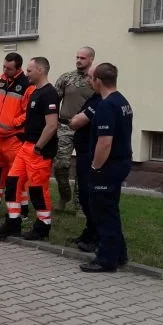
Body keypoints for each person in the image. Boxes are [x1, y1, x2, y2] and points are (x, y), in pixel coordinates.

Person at [0, 57, 59, 241]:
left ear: (41, 71)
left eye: (29, 71)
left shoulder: (49, 94)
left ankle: (43, 225)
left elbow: (51, 125)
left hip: (38, 150)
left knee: (37, 189)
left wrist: (39, 146)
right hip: (26, 146)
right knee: (12, 183)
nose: (26, 74)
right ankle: (13, 222)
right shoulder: (35, 92)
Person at [80, 63, 133, 273]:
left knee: (103, 213)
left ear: (98, 81)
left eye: (92, 79)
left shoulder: (105, 106)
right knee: (111, 210)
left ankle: (106, 259)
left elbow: (105, 142)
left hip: (107, 166)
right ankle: (119, 254)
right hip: (121, 162)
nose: (90, 82)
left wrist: (95, 166)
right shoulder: (122, 102)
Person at [0, 52, 34, 218]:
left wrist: (14, 123)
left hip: (14, 137)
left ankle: (22, 210)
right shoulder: (3, 80)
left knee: (16, 175)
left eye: (9, 68)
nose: (5, 70)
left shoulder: (26, 85)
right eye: (4, 66)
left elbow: (28, 112)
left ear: (18, 68)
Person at [54, 47, 96, 212]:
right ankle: (65, 195)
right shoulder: (66, 78)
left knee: (83, 167)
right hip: (65, 127)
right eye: (77, 57)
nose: (79, 60)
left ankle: (80, 203)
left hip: (87, 128)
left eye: (83, 58)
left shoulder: (95, 80)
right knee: (61, 164)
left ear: (91, 59)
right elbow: (53, 101)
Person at [68, 65, 102, 252]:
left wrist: (75, 120)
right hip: (83, 152)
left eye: (90, 77)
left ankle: (96, 236)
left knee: (90, 198)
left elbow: (76, 121)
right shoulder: (94, 98)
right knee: (84, 196)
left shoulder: (99, 102)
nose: (87, 80)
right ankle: (89, 231)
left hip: (90, 154)